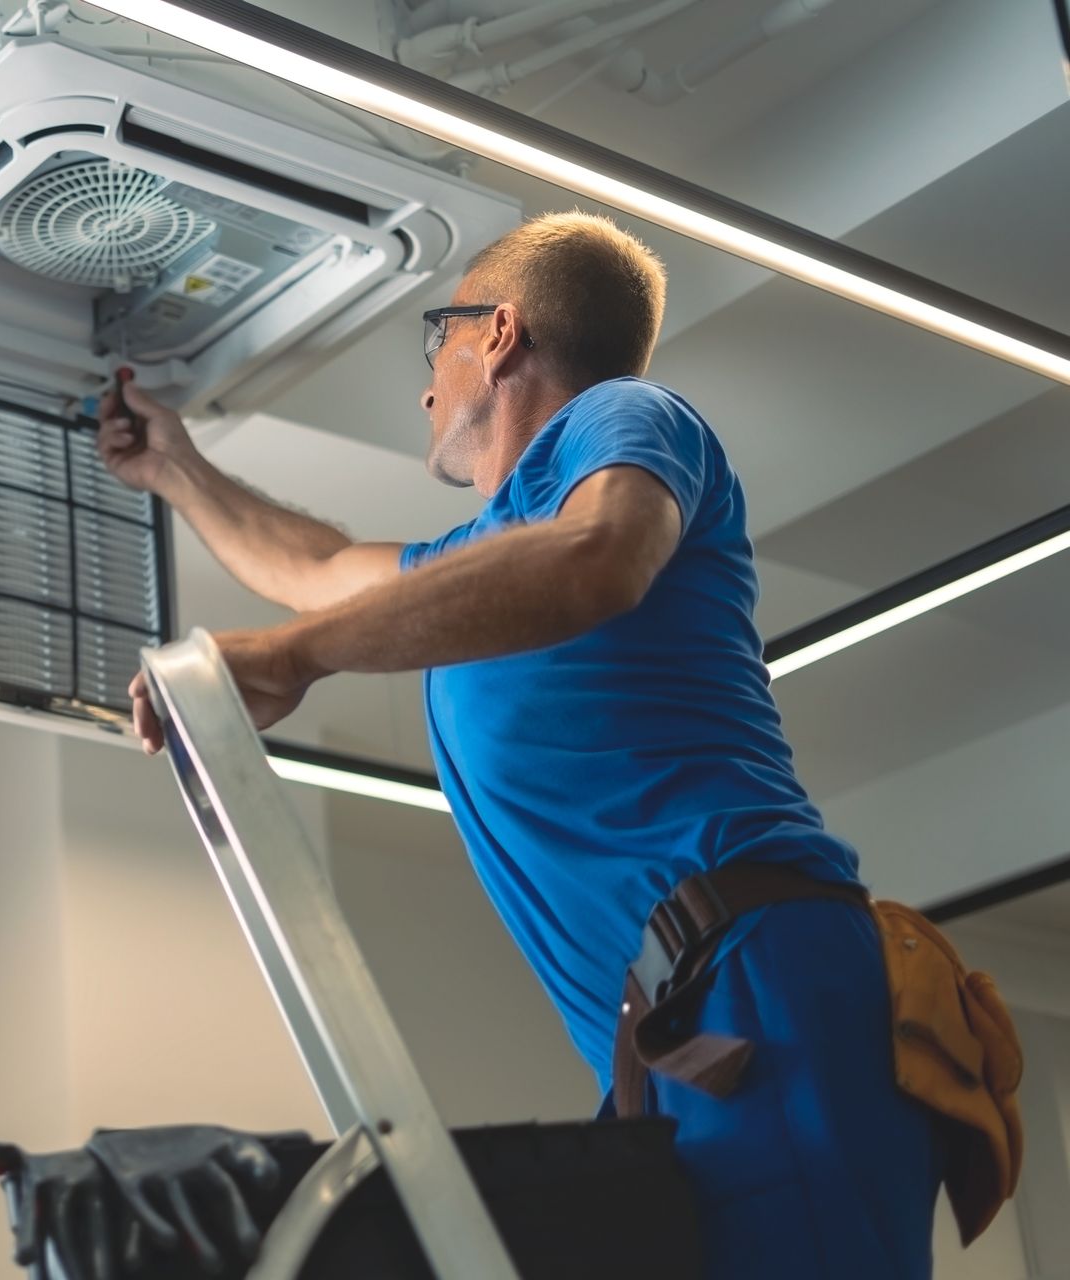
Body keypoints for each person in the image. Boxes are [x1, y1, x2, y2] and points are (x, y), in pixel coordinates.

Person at [98, 212, 949, 1278]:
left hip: (755, 978)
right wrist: (179, 468)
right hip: (670, 1029)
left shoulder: (628, 418)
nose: (425, 388)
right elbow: (314, 567)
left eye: (433, 347)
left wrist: (300, 653)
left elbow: (600, 556)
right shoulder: (479, 559)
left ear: (497, 334)